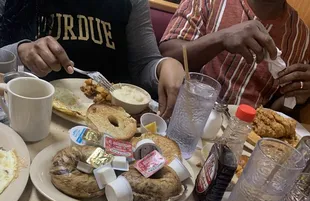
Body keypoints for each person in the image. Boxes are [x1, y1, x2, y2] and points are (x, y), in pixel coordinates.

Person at [0, 0, 184, 118]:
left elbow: (144, 64)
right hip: (31, 115)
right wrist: (20, 51)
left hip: (108, 124)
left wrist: (164, 65)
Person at [160, 0, 310, 111]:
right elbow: (167, 54)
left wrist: (298, 96)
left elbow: (275, 108)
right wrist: (221, 38)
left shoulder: (301, 37)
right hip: (186, 116)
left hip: (246, 137)